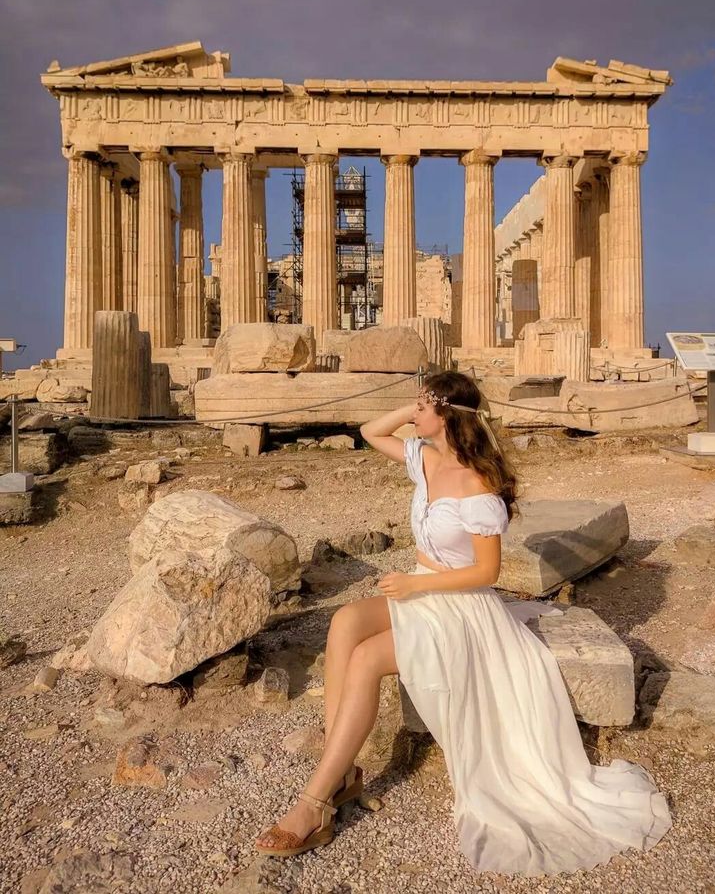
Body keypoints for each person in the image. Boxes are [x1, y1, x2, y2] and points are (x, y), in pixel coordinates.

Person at [254, 370, 671, 874]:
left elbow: (486, 572)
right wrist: (416, 409)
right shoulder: (425, 459)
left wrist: (415, 586)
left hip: (461, 606)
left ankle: (315, 801)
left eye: (423, 404)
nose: (413, 411)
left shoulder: (479, 486)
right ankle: (341, 774)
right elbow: (371, 432)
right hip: (422, 586)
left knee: (365, 659)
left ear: (446, 414)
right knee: (344, 621)